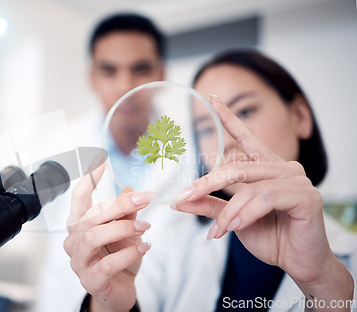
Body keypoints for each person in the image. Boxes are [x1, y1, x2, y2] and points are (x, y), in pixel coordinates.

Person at [64, 49, 357, 312]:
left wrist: (325, 288)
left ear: (300, 116)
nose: (225, 142)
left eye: (244, 111)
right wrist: (109, 304)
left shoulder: (346, 261)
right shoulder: (171, 246)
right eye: (206, 128)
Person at [34, 13, 187, 312]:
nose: (125, 86)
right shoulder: (55, 147)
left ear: (161, 74)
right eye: (109, 70)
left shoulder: (192, 154)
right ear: (92, 78)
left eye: (140, 69)